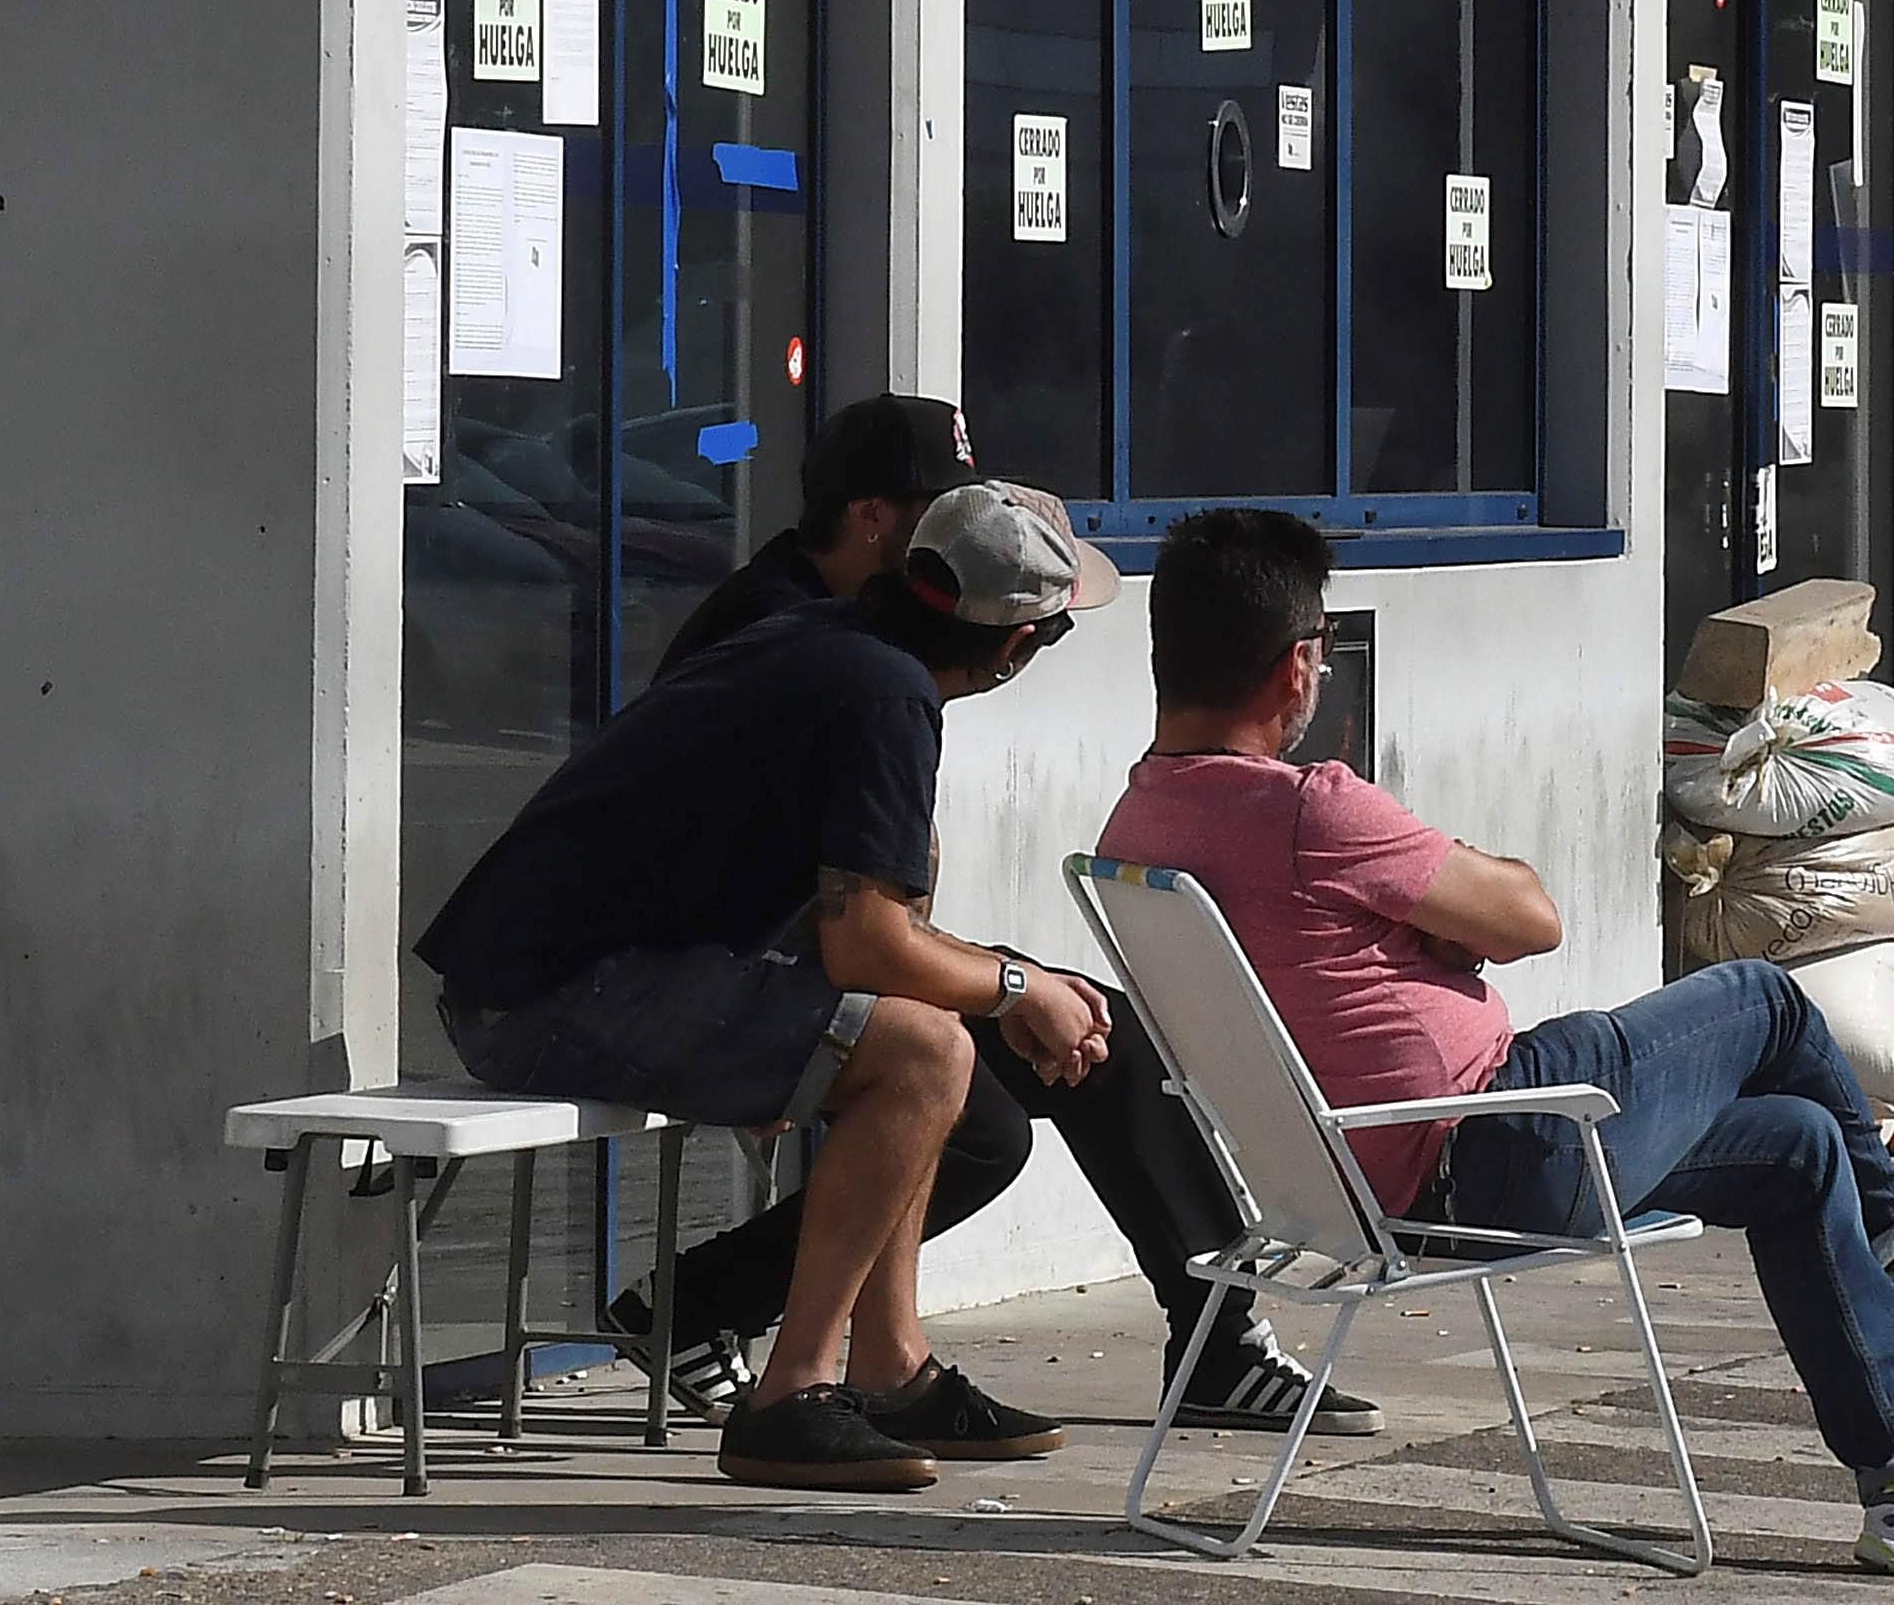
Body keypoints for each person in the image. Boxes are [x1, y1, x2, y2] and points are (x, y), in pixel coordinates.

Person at [1098, 508, 1894, 1579]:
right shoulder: (1314, 810)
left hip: (1361, 1184)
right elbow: (1531, 915)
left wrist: (1408, 915)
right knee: (1764, 998)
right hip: (1497, 1144)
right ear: (1301, 665)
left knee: (1803, 1147)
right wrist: (1439, 898)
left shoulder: (1136, 828)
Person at [618, 396, 1367, 1446]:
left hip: (795, 959)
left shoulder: (868, 635)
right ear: (877, 519)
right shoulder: (802, 635)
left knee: (1086, 1034)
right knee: (978, 1114)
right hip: (728, 970)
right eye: (941, 515)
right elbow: (758, 875)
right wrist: (839, 1015)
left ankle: (1215, 1336)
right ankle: (752, 1325)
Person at [416, 479, 1118, 1493]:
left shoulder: (834, 646)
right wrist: (1020, 987)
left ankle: (892, 1368)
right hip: (545, 997)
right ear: (1012, 646)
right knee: (927, 1048)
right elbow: (872, 943)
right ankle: (791, 1395)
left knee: (922, 1039)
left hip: (573, 973)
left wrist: (808, 1026)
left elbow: (863, 924)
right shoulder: (884, 693)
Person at [658, 392, 981, 678]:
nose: (961, 523)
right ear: (871, 513)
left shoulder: (829, 606)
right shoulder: (785, 633)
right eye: (945, 506)